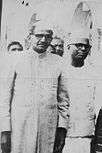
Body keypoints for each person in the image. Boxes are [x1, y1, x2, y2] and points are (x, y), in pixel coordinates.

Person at [0, 19, 70, 153]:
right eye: (39, 36)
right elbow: (3, 98)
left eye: (48, 36)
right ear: (29, 37)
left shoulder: (58, 63)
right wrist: (4, 130)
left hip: (48, 128)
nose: (44, 40)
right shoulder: (14, 59)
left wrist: (62, 129)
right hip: (19, 127)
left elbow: (63, 101)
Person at [62, 33, 96, 153]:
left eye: (86, 46)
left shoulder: (94, 73)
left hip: (87, 134)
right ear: (68, 47)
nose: (82, 49)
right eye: (78, 45)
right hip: (64, 134)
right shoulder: (60, 70)